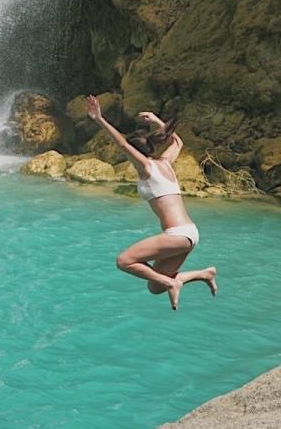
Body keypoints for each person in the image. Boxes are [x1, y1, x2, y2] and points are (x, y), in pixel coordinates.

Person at [86, 95, 217, 310]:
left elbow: (120, 143)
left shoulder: (146, 168)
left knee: (124, 261)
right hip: (190, 234)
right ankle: (204, 274)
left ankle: (172, 282)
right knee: (154, 287)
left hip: (177, 235)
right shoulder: (165, 163)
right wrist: (157, 121)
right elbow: (178, 142)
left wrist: (99, 119)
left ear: (136, 152)